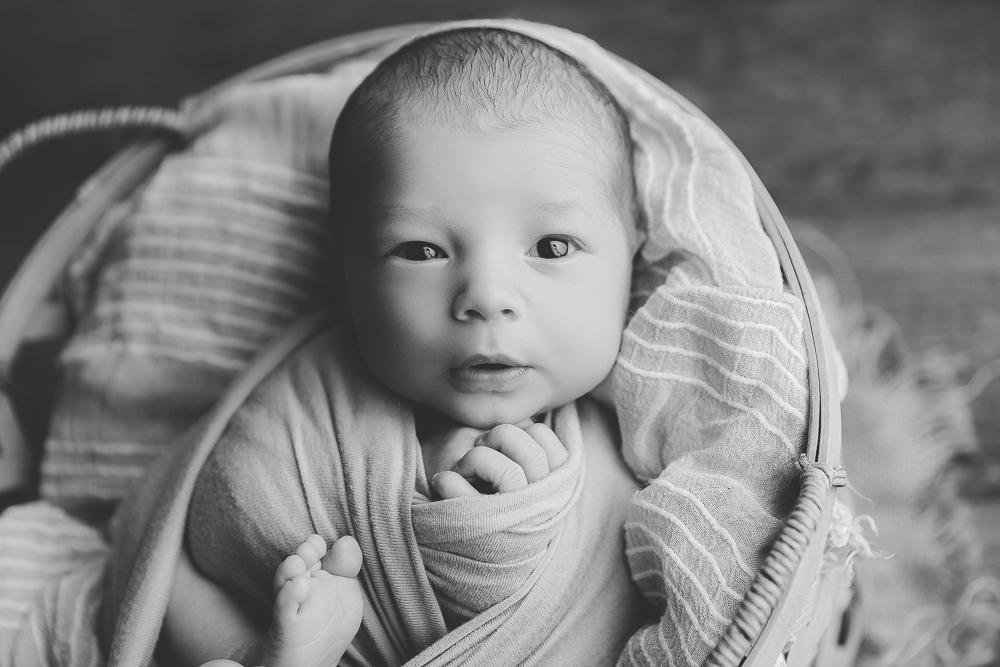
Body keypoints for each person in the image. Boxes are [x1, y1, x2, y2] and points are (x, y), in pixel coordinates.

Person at [152, 27, 648, 667]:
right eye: (420, 251)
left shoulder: (641, 440)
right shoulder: (299, 414)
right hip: (280, 629)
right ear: (349, 265)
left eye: (552, 247)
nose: (486, 297)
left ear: (633, 248)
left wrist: (496, 534)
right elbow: (205, 532)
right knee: (176, 585)